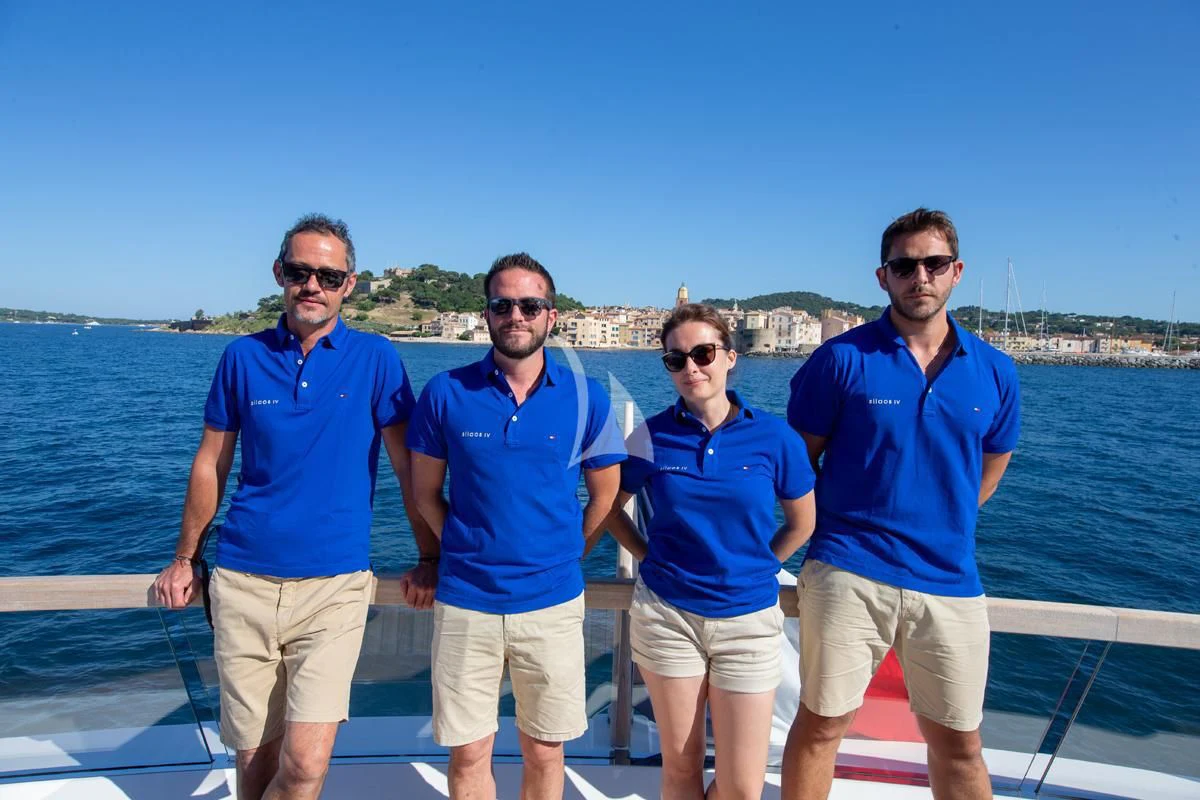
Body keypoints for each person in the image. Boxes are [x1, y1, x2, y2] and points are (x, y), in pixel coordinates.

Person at [152, 214, 437, 800]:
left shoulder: (377, 359)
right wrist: (186, 557)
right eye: (302, 272)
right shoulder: (241, 357)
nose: (313, 285)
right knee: (253, 762)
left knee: (304, 764)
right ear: (279, 272)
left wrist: (429, 553)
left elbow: (410, 467)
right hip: (242, 580)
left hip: (334, 586)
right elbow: (212, 461)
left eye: (328, 276)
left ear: (350, 284)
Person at [781, 208, 1021, 800]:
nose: (921, 276)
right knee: (821, 727)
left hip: (950, 579)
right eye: (905, 265)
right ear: (883, 276)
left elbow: (989, 470)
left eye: (933, 263)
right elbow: (796, 463)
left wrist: (946, 516)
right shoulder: (841, 360)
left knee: (960, 743)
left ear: (956, 271)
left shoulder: (995, 371)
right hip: (848, 569)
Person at [406, 253, 625, 800]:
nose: (516, 315)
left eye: (530, 305)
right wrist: (458, 544)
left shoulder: (586, 396)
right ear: (486, 315)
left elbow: (606, 493)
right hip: (465, 601)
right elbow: (423, 491)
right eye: (502, 304)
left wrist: (568, 551)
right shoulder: (444, 392)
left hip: (551, 603)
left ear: (552, 316)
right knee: (469, 751)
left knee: (546, 751)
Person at [607, 303, 816, 800]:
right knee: (679, 771)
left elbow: (802, 520)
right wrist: (646, 554)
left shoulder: (773, 437)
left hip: (747, 621)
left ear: (730, 357)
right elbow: (610, 509)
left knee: (742, 784)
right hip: (667, 617)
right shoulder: (651, 436)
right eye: (675, 360)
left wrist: (765, 564)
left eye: (702, 353)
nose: (690, 368)